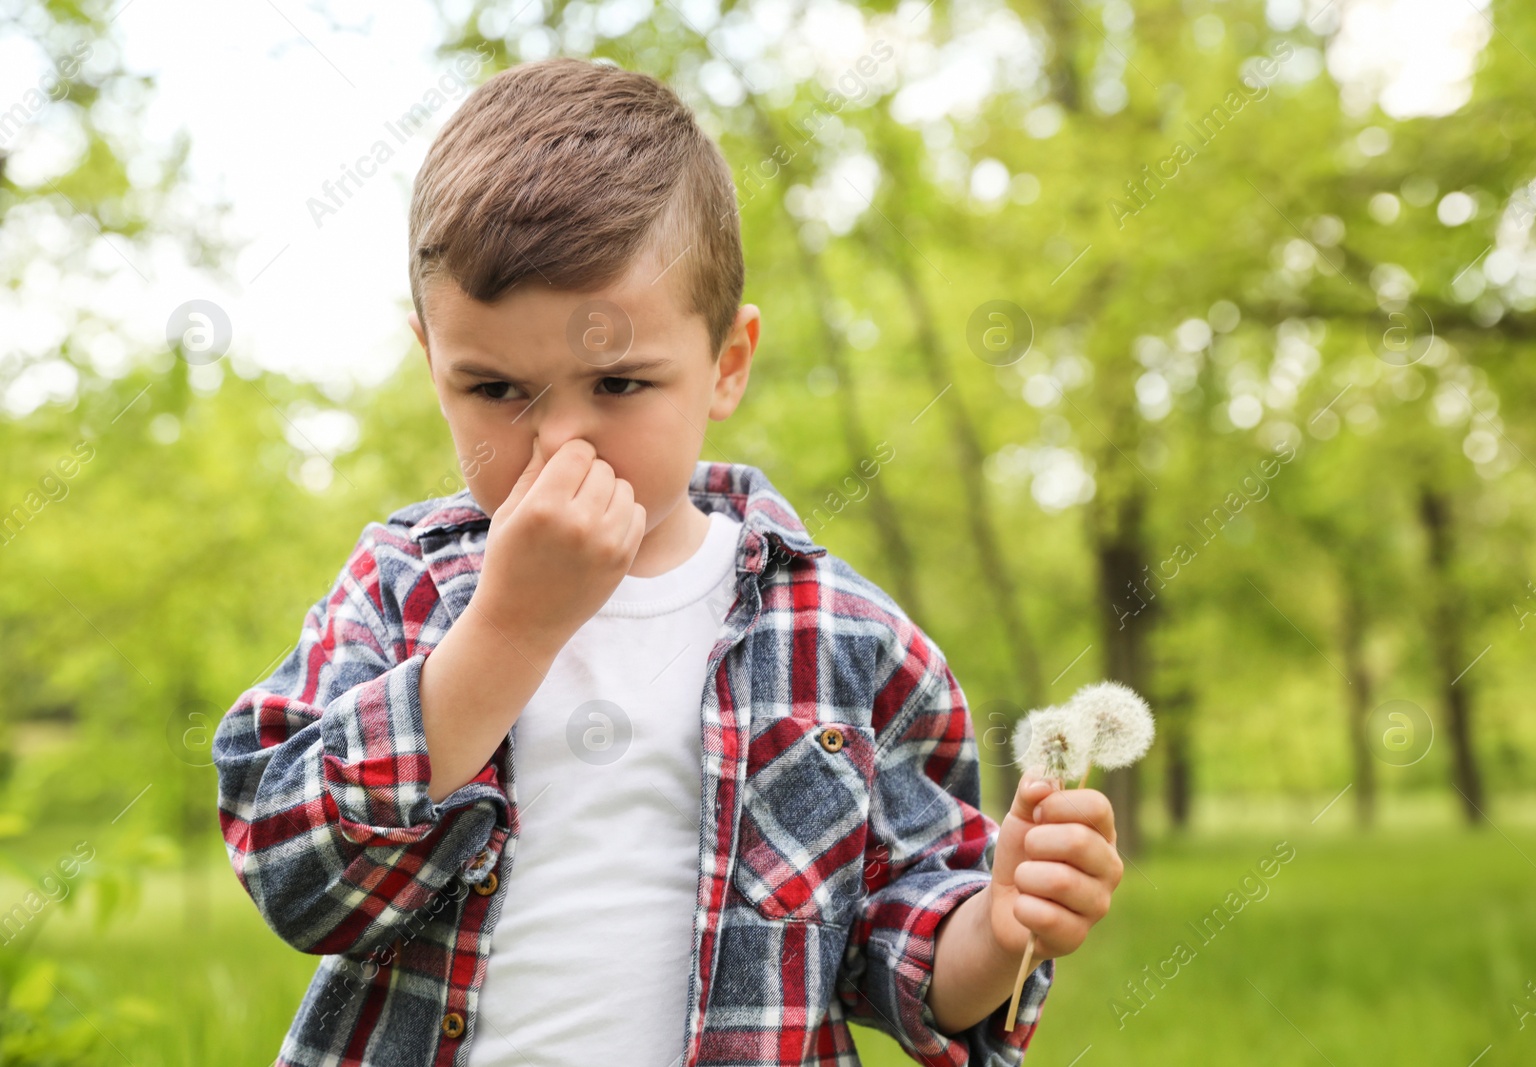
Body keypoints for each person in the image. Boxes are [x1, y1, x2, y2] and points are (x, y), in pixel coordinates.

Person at [212, 56, 1124, 1067]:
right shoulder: (403, 585)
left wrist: (997, 925)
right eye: (496, 390)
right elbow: (294, 870)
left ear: (726, 364)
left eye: (618, 381)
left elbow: (898, 954)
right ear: (432, 361)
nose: (562, 442)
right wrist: (510, 629)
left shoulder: (844, 639)